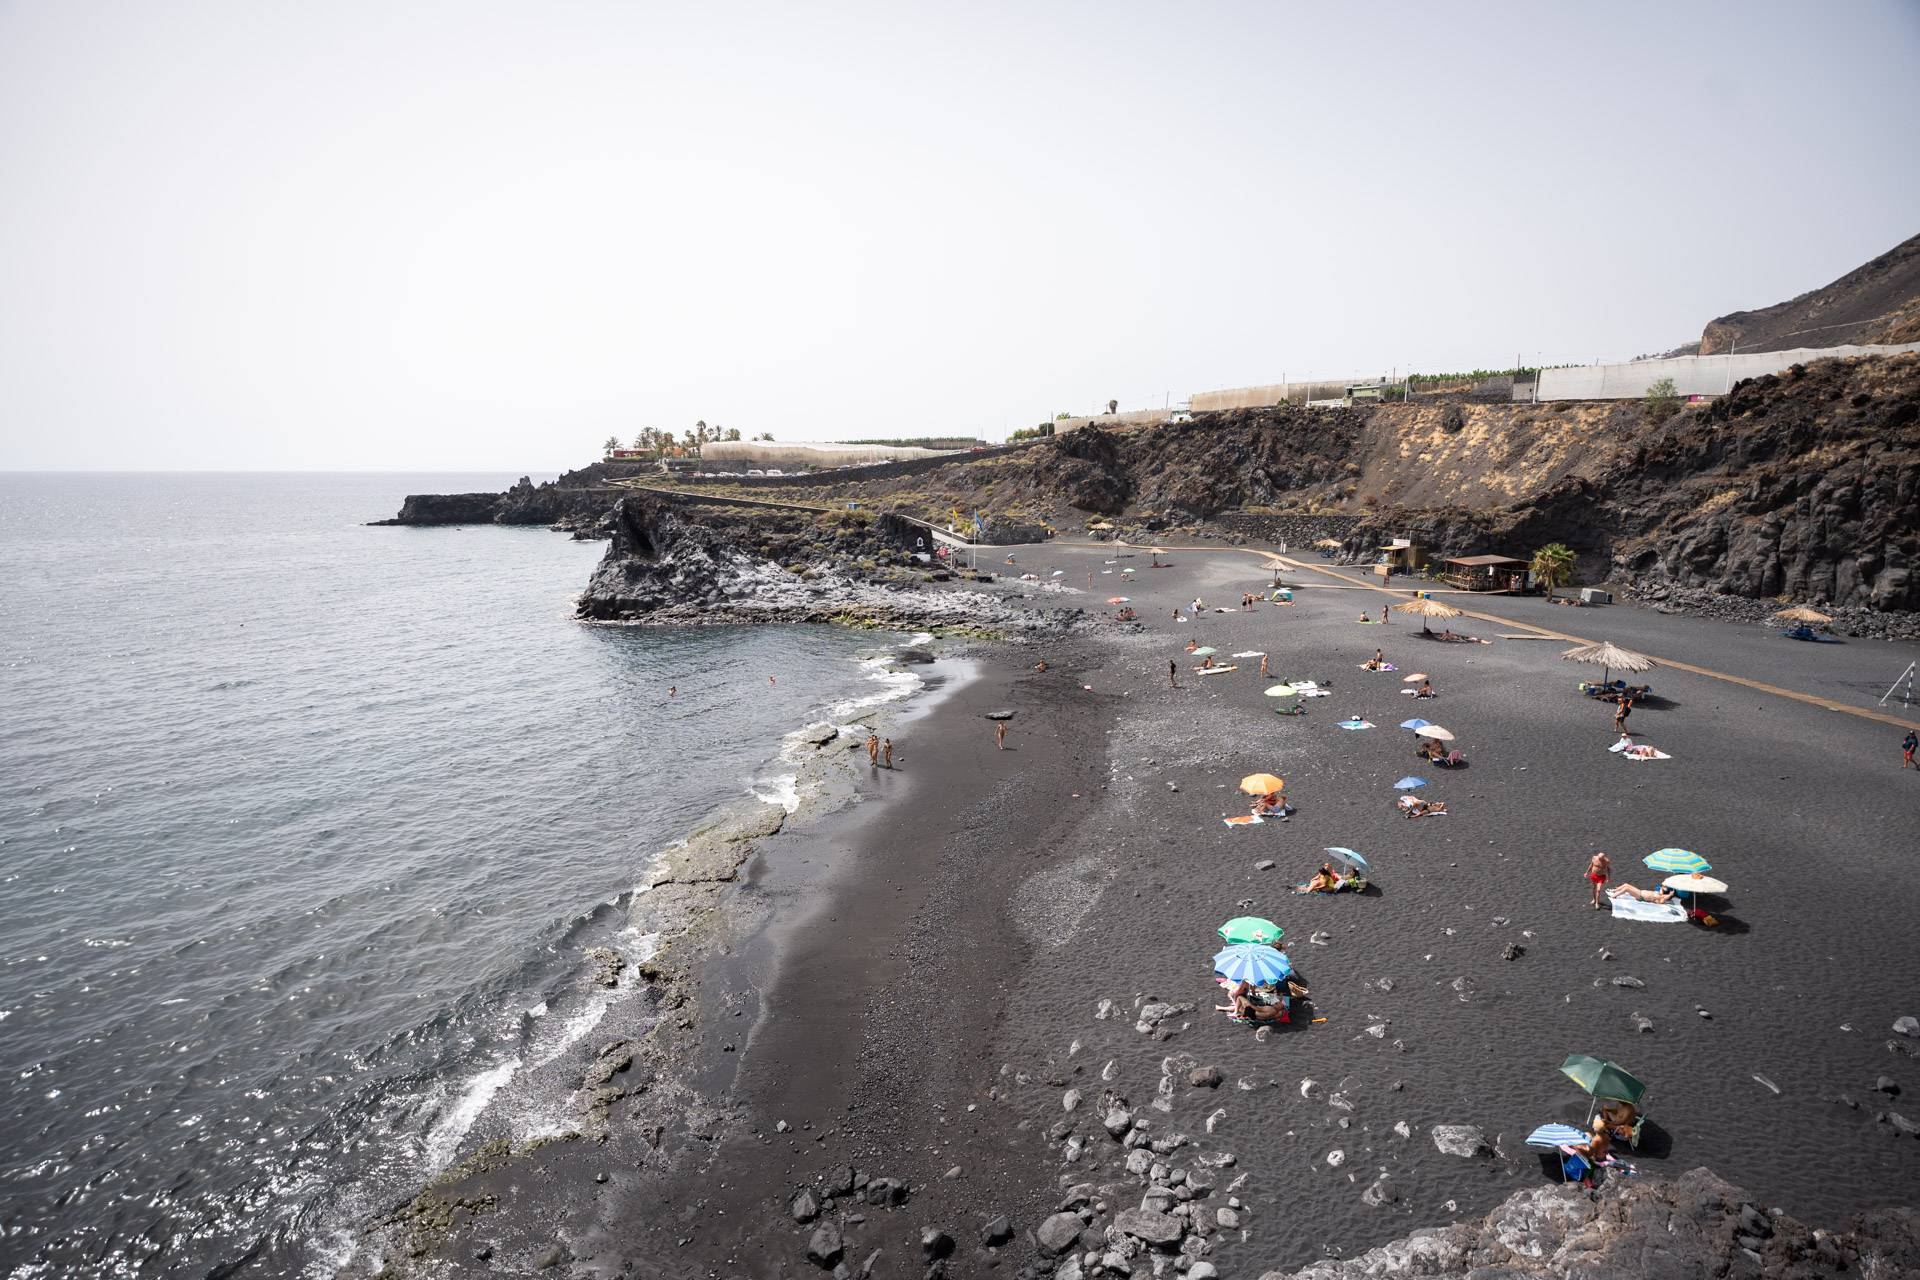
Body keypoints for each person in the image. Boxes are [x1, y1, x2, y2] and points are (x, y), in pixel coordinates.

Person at [1608, 883, 1676, 904]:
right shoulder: (1661, 894)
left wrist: (1670, 895)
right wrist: (1663, 888)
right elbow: (1662, 889)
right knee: (1626, 885)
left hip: (1641, 896)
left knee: (1626, 889)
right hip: (1640, 892)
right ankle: (1615, 890)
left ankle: (1614, 896)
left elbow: (1661, 902)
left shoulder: (1660, 900)